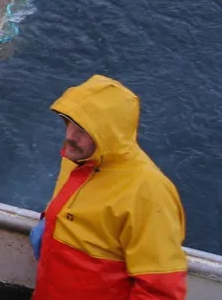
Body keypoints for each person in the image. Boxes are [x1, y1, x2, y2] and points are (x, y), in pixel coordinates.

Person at [29, 74, 188, 300]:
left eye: (84, 129)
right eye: (69, 120)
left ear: (109, 136)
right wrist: (51, 222)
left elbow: (160, 291)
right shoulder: (79, 158)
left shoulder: (148, 193)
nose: (70, 136)